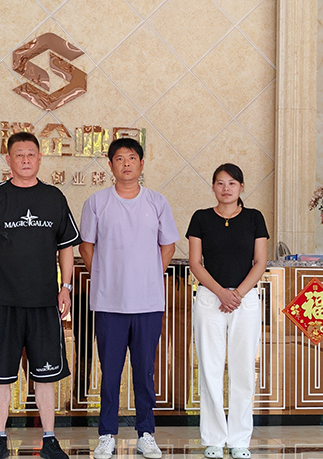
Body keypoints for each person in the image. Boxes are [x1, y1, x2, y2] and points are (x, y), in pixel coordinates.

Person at [0, 132, 81, 459]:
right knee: (0, 377)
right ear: (8, 159)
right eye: (19, 154)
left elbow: (66, 248)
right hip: (2, 302)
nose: (25, 160)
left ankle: (49, 439)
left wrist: (65, 287)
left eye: (31, 154)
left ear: (40, 158)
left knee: (45, 376)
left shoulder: (53, 197)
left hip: (44, 302)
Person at [78, 138, 177, 459]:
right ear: (110, 165)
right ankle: (106, 434)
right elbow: (86, 246)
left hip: (148, 303)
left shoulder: (157, 202)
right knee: (110, 372)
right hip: (110, 303)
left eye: (132, 158)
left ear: (142, 164)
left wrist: (149, 275)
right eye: (119, 159)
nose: (126, 164)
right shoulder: (97, 202)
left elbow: (168, 246)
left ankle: (146, 433)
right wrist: (104, 276)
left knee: (144, 371)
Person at [187, 163, 269, 459]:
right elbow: (196, 263)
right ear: (213, 187)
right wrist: (221, 292)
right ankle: (213, 439)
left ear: (241, 187)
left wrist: (237, 294)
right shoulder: (201, 218)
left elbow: (260, 262)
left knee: (243, 368)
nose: (226, 188)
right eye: (220, 183)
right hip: (210, 298)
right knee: (209, 368)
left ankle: (239, 440)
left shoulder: (254, 218)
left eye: (232, 183)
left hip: (245, 300)